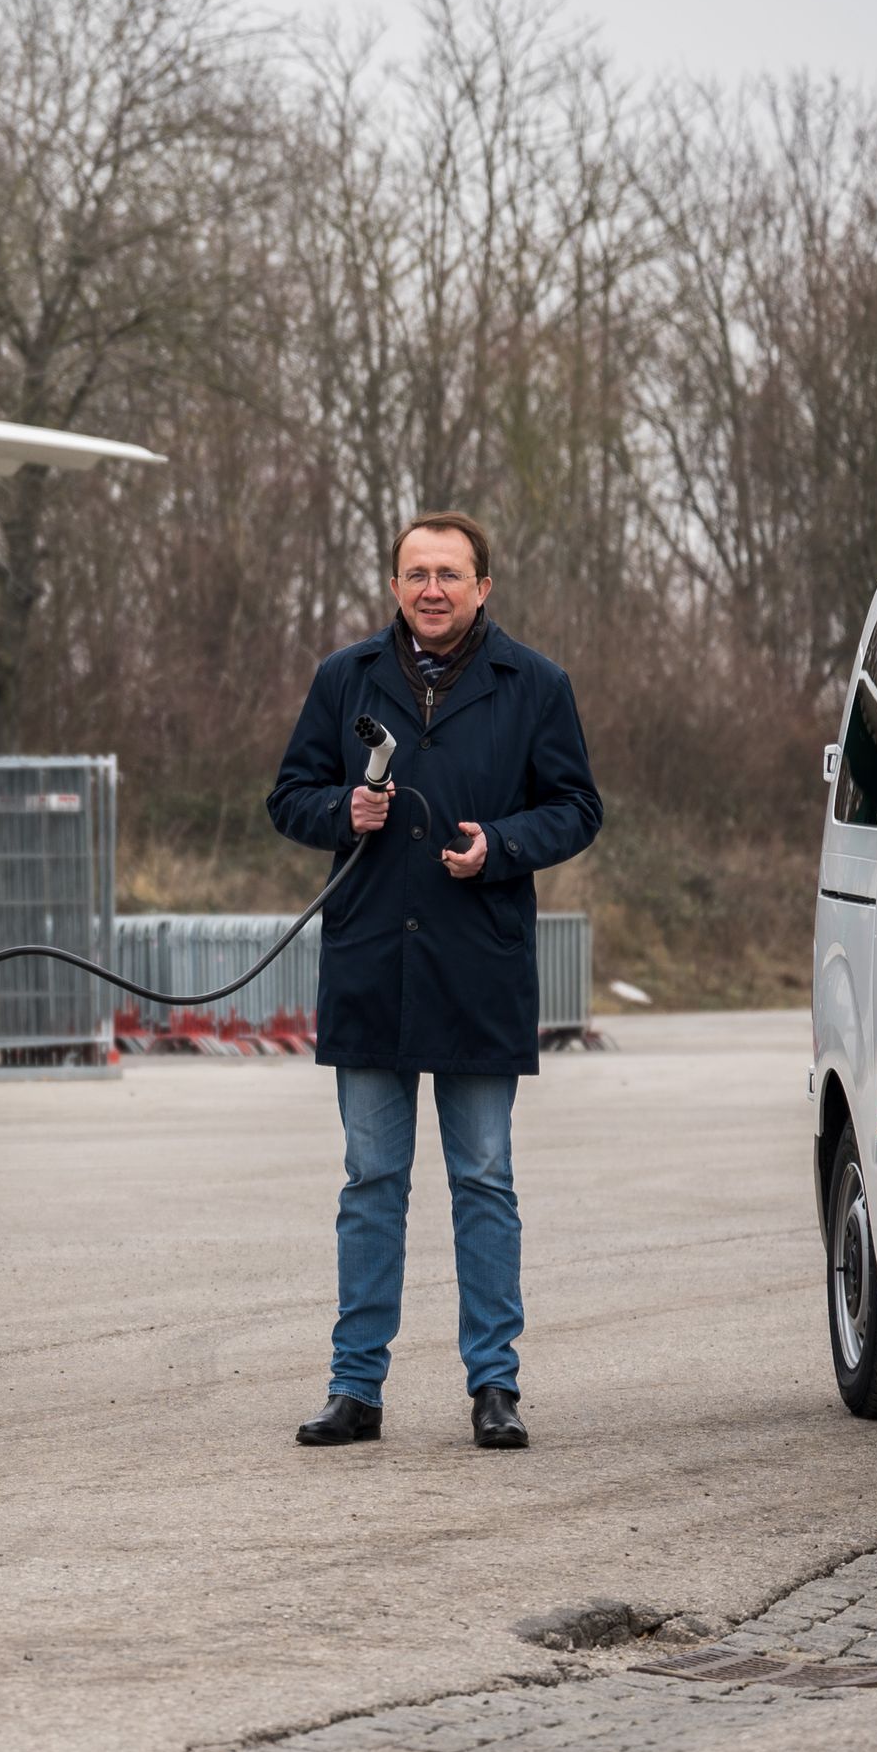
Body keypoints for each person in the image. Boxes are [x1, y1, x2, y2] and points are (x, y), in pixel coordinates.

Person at [264, 513, 602, 1451]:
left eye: (450, 573)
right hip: (372, 965)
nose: (433, 589)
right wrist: (345, 807)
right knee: (371, 1180)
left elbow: (578, 807)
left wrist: (504, 846)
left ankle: (495, 1384)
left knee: (483, 1178)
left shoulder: (533, 684)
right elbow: (288, 795)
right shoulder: (345, 678)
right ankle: (355, 1388)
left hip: (477, 967)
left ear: (483, 586)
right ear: (396, 584)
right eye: (417, 572)